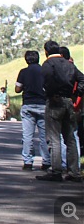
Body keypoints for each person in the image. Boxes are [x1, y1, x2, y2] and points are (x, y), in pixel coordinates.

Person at [36, 40, 84, 182]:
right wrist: (76, 94)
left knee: (54, 138)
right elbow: (82, 79)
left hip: (54, 102)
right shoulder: (69, 64)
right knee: (70, 138)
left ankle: (56, 170)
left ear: (46, 51)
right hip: (69, 101)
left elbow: (47, 80)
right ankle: (74, 172)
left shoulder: (48, 64)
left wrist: (52, 93)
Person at [15, 50, 50, 171]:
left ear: (26, 60)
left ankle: (28, 161)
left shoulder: (23, 72)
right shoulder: (45, 71)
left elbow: (17, 89)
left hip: (28, 104)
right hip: (43, 104)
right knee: (44, 136)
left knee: (27, 135)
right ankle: (46, 161)